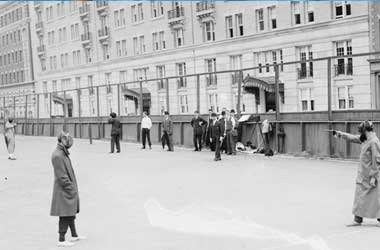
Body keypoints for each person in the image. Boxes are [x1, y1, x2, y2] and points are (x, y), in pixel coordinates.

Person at [334, 121, 380, 226]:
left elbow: (376, 160)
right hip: (362, 174)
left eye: (362, 130)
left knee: (376, 198)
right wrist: (340, 134)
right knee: (359, 196)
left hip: (370, 175)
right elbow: (353, 137)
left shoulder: (374, 142)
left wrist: (374, 177)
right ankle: (358, 219)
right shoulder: (365, 139)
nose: (360, 132)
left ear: (366, 130)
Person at [50, 132, 85, 247]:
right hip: (64, 189)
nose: (69, 141)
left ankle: (74, 235)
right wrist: (71, 188)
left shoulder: (62, 152)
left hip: (67, 188)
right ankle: (61, 239)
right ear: (61, 141)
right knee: (65, 213)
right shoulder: (57, 155)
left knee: (70, 212)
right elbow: (61, 176)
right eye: (66, 139)